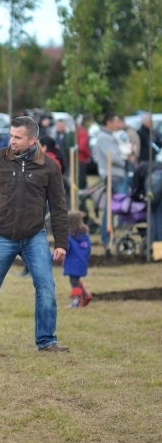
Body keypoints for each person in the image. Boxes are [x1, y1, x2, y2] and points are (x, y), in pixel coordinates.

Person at [0, 116, 70, 353]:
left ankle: (47, 340)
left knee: (46, 287)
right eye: (11, 135)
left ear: (32, 139)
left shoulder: (49, 166)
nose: (11, 140)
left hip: (34, 237)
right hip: (0, 236)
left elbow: (59, 207)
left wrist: (61, 242)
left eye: (17, 137)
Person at [95, 112, 133, 254]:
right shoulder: (104, 138)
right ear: (108, 122)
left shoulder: (110, 136)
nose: (118, 124)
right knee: (115, 207)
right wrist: (127, 159)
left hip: (116, 175)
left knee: (111, 207)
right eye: (116, 121)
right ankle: (107, 236)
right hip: (113, 176)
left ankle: (108, 236)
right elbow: (114, 157)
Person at [64, 211, 92, 308]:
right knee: (76, 280)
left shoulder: (69, 235)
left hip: (72, 262)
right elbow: (89, 248)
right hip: (82, 262)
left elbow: (65, 248)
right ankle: (85, 294)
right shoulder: (85, 234)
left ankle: (76, 302)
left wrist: (52, 255)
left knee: (74, 283)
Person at [77, 116, 93, 189]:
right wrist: (89, 155)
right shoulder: (84, 132)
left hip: (77, 158)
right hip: (82, 158)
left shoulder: (78, 130)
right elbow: (82, 147)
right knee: (81, 180)